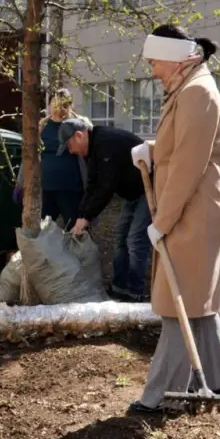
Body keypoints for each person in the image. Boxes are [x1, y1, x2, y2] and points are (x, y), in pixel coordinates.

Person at [126, 24, 220, 414]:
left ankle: (161, 398)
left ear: (175, 59)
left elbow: (190, 166)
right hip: (192, 210)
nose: (153, 69)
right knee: (197, 302)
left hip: (194, 213)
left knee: (177, 306)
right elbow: (182, 146)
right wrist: (152, 150)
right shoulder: (187, 89)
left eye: (155, 61)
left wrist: (163, 222)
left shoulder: (197, 93)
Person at [59, 117, 151, 302]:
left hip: (149, 189)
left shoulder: (106, 143)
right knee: (120, 239)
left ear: (79, 136)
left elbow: (106, 187)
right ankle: (119, 288)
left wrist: (88, 217)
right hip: (132, 193)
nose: (70, 151)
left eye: (69, 146)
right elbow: (92, 185)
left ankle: (135, 293)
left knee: (134, 240)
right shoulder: (91, 149)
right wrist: (81, 215)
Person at [38, 88, 84, 230]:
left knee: (74, 228)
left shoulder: (77, 124)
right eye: (54, 104)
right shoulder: (42, 125)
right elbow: (32, 154)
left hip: (70, 188)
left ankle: (77, 252)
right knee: (43, 229)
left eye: (63, 105)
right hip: (47, 187)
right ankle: (46, 253)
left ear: (69, 106)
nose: (58, 108)